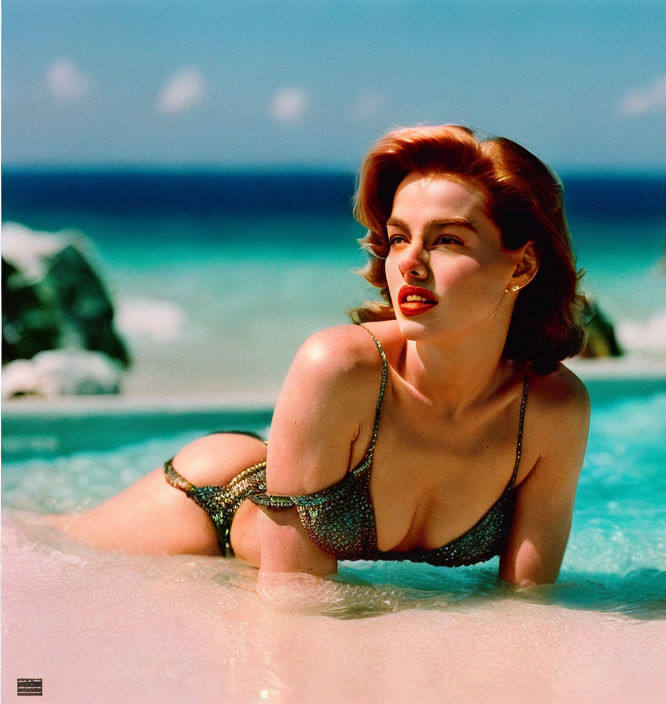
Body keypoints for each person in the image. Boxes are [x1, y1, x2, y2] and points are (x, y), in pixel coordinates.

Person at [57, 125, 591, 588]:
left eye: (447, 240)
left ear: (521, 268)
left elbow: (527, 607)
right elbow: (295, 603)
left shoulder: (551, 411)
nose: (410, 264)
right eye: (399, 238)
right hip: (206, 513)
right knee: (40, 546)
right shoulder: (339, 368)